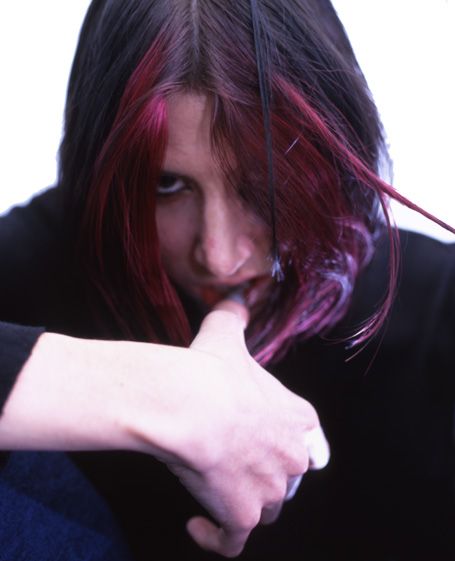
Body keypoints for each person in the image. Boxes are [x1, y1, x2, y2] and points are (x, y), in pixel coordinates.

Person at [0, 0, 453, 560]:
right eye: (166, 184)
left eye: (264, 183)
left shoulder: (438, 309)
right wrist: (160, 397)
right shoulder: (39, 262)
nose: (218, 256)